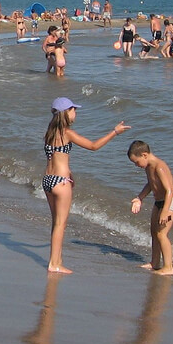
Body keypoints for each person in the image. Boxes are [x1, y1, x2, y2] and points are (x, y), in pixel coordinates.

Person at [43, 98, 130, 274]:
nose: (76, 113)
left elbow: (56, 157)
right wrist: (115, 132)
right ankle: (54, 264)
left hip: (47, 180)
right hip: (61, 182)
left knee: (56, 223)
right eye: (74, 110)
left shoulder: (50, 132)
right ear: (67, 112)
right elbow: (93, 146)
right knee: (61, 224)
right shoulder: (68, 133)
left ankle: (57, 260)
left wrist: (69, 172)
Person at [128, 140, 173, 276]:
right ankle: (155, 262)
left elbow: (169, 191)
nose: (136, 165)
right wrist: (140, 198)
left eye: (136, 162)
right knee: (153, 232)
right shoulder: (148, 167)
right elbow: (150, 184)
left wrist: (165, 211)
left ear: (144, 155)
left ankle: (168, 267)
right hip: (159, 202)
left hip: (170, 202)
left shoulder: (159, 166)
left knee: (161, 234)